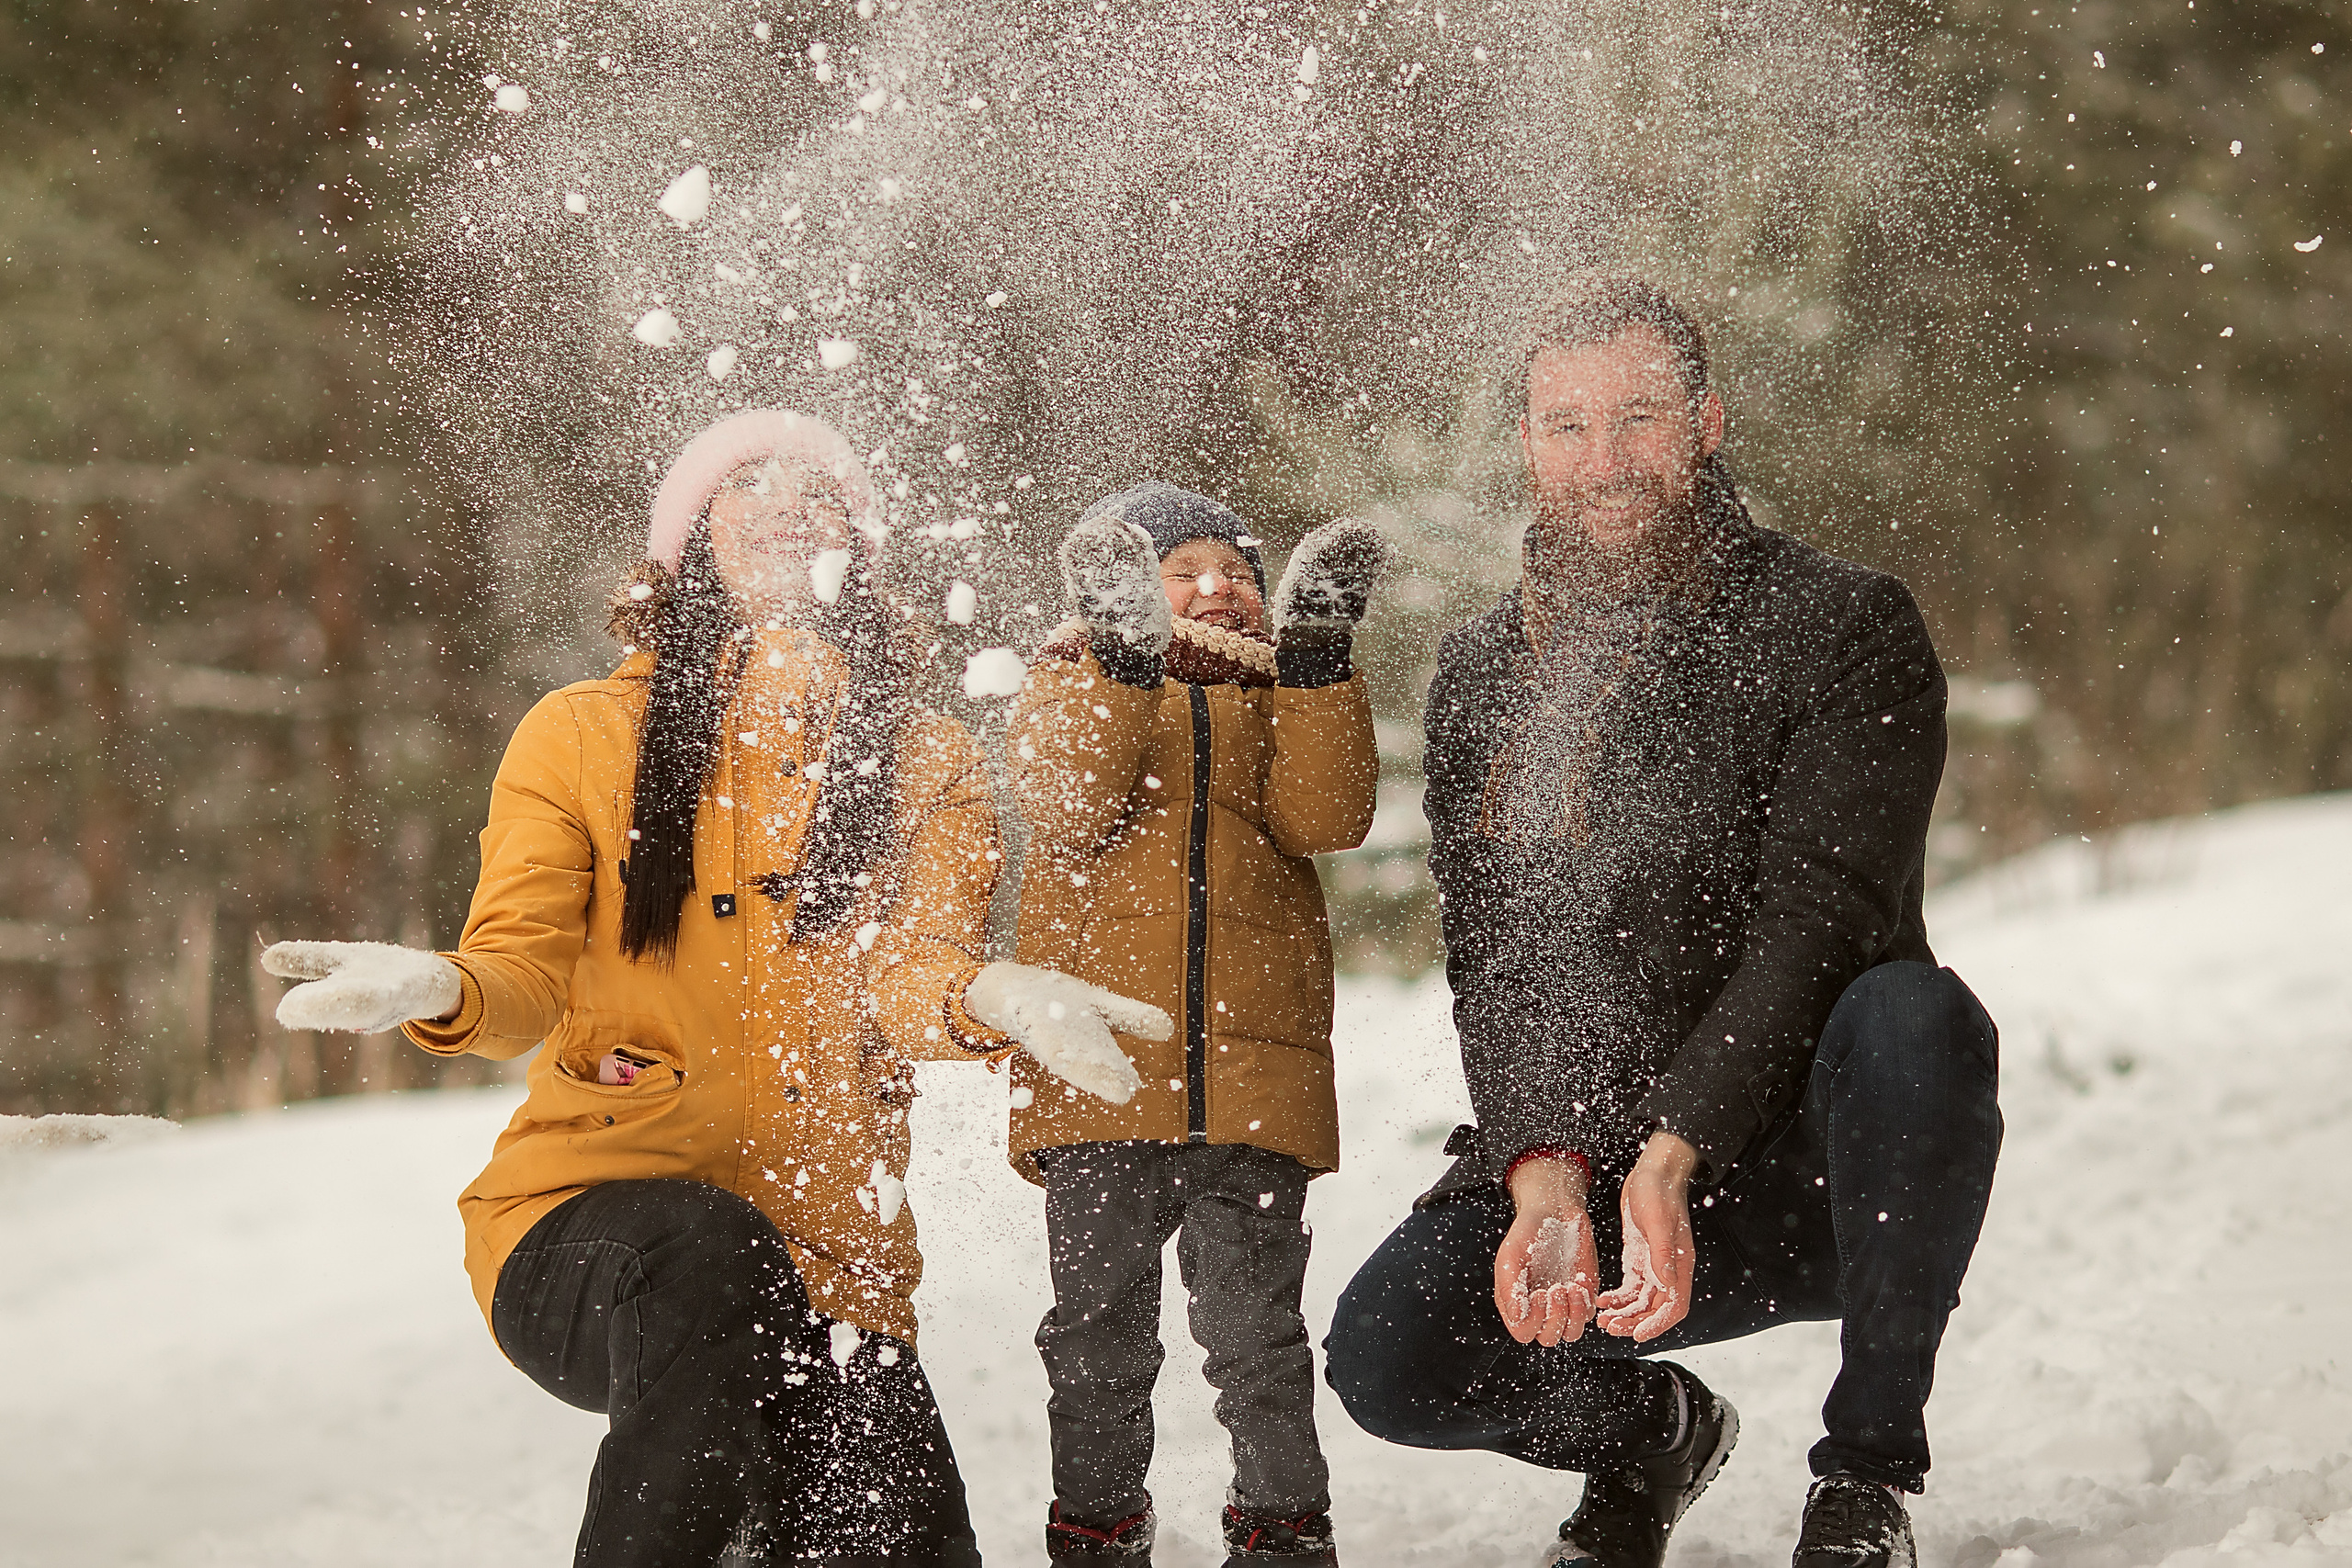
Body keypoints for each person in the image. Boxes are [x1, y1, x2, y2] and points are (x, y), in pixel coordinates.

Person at [260, 409, 1170, 1568]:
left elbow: (907, 976)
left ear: (858, 549)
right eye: (747, 488)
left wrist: (987, 996)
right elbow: (522, 971)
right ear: (687, 541)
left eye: (817, 494)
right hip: (585, 1235)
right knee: (712, 1251)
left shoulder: (928, 759)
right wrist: (445, 984)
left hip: (834, 1274)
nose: (786, 510)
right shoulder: (581, 734)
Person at [1321, 276, 2003, 1568]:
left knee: (1915, 1013)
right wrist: (1547, 1172)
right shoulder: (1485, 671)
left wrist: (1675, 1149)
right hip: (1599, 1172)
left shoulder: (1840, 623)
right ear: (1526, 442)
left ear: (1706, 422)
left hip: (1810, 1168)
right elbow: (1498, 961)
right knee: (1389, 1355)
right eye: (1568, 424)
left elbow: (1823, 920)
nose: (1606, 458)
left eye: (1638, 416)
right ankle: (1651, 1439)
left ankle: (1864, 1478)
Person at [1001, 484, 1386, 1567]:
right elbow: (1070, 804)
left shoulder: (1284, 696)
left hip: (1254, 1080)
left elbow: (1328, 817)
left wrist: (1315, 667)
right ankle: (1097, 1530)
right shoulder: (1065, 678)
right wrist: (1126, 667)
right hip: (1102, 1076)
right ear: (1121, 595)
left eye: (1237, 571)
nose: (1216, 587)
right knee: (1096, 1341)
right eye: (1182, 572)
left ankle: (1282, 1531)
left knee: (1256, 1340)